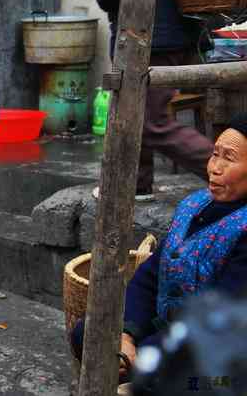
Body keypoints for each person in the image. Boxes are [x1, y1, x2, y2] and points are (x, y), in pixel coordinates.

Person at [71, 113, 247, 383]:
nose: (215, 167)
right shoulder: (193, 205)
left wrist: (145, 349)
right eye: (215, 154)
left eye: (229, 158)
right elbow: (153, 273)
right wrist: (127, 334)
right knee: (89, 333)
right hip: (163, 328)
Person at [91, 0, 213, 200]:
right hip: (179, 21)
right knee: (133, 107)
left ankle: (232, 171)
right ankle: (135, 184)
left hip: (148, 24)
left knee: (148, 121)